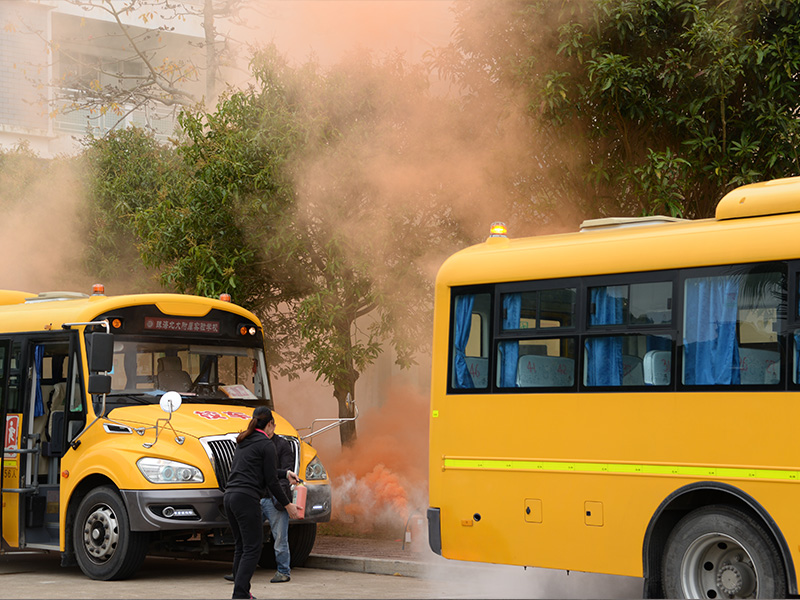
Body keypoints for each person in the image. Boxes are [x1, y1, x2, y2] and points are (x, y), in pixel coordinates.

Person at [223, 406, 299, 599]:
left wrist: (285, 473)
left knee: (242, 547)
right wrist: (288, 505)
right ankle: (240, 594)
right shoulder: (266, 444)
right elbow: (271, 481)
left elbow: (265, 472)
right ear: (271, 423)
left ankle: (241, 592)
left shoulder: (244, 441)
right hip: (246, 498)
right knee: (252, 548)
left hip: (230, 496)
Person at [260, 418, 295, 583]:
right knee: (248, 537)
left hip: (274, 498)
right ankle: (240, 569)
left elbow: (286, 472)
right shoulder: (259, 443)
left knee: (280, 539)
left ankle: (283, 571)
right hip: (258, 496)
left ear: (273, 425)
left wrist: (281, 499)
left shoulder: (282, 445)